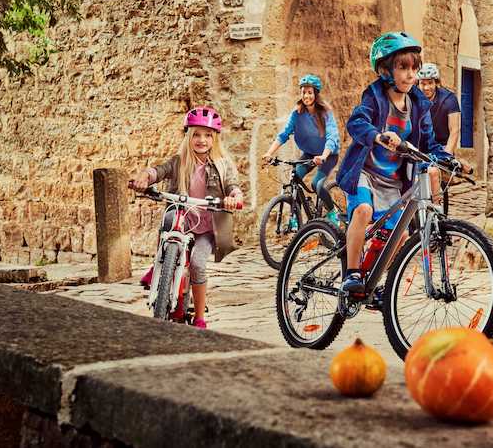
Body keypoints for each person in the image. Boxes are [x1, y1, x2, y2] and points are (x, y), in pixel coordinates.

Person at [336, 32, 454, 296]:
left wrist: (447, 157)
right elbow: (357, 122)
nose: (411, 74)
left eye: (414, 68)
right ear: (385, 70)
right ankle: (351, 273)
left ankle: (370, 281)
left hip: (393, 181)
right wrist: (377, 136)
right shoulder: (374, 96)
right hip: (364, 172)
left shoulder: (417, 104)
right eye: (403, 68)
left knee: (398, 236)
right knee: (363, 211)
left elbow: (427, 142)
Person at [130, 106, 243, 329]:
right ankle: (159, 266)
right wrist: (144, 177)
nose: (201, 140)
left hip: (207, 227)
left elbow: (233, 186)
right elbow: (158, 171)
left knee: (198, 265)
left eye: (207, 135)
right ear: (188, 136)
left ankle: (200, 316)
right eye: (196, 134)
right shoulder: (180, 161)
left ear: (215, 138)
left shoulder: (223, 164)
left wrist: (234, 196)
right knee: (170, 218)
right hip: (183, 220)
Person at [262, 74, 341, 223]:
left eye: (309, 92)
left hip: (328, 155)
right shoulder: (297, 114)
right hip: (310, 154)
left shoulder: (325, 113)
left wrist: (323, 156)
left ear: (315, 94)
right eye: (303, 92)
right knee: (295, 178)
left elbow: (332, 137)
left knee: (316, 184)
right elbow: (284, 134)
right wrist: (269, 153)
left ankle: (332, 212)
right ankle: (296, 218)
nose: (306, 95)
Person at [417, 62, 462, 202]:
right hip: (421, 144)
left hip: (442, 144)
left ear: (436, 82)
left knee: (436, 176)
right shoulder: (414, 98)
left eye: (430, 83)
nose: (426, 87)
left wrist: (446, 155)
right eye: (422, 83)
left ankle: (438, 210)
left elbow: (455, 130)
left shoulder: (448, 99)